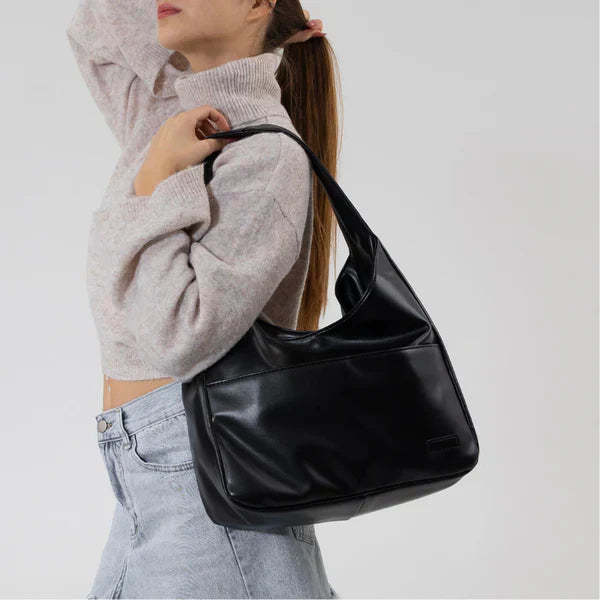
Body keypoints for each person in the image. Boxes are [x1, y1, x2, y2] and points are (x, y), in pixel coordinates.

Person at [66, 0, 342, 597]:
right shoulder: (166, 116)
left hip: (199, 470)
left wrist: (160, 177)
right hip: (150, 467)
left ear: (257, 5)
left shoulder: (264, 153)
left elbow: (180, 335)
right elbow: (95, 27)